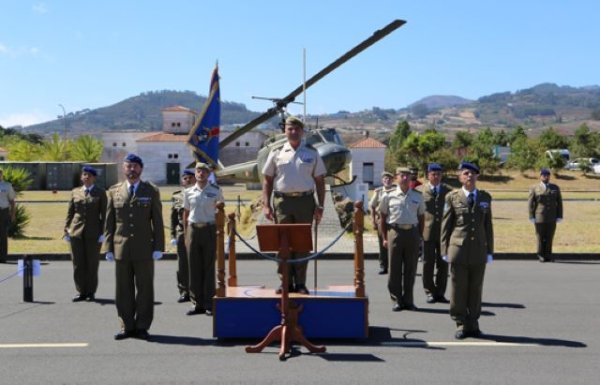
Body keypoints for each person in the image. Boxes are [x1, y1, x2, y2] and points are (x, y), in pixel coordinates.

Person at [262, 115, 326, 295]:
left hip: (305, 202)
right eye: (290, 129)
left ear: (302, 131)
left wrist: (320, 206)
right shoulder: (276, 152)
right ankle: (285, 283)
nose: (293, 132)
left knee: (302, 246)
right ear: (285, 131)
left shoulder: (312, 153)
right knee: (282, 244)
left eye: (297, 129)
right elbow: (267, 180)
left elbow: (320, 181)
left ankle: (300, 283)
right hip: (282, 202)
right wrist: (266, 205)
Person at [104, 154, 165, 341]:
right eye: (129, 166)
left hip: (144, 248)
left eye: (135, 166)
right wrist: (108, 247)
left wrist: (158, 247)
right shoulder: (114, 191)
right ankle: (126, 326)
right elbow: (109, 222)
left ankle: (142, 326)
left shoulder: (151, 190)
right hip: (121, 247)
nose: (132, 170)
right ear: (124, 169)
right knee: (123, 290)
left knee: (145, 289)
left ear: (141, 169)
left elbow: (157, 221)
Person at [441, 161, 493, 339]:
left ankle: (474, 323)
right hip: (459, 250)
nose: (469, 176)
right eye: (465, 173)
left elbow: (488, 226)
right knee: (458, 288)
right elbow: (446, 226)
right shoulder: (452, 197)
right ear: (459, 177)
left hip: (478, 249)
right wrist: (444, 250)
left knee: (476, 288)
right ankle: (460, 323)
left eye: (473, 173)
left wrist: (490, 251)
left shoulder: (485, 197)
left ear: (477, 176)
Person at [379, 166, 425, 312]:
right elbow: (383, 217)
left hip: (412, 233)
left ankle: (408, 300)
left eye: (407, 175)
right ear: (396, 178)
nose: (405, 178)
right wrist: (385, 238)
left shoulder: (418, 196)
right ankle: (396, 299)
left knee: (411, 269)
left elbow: (421, 217)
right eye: (402, 175)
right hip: (395, 232)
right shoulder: (388, 195)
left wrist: (419, 236)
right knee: (394, 268)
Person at [182, 162, 224, 316]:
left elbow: (221, 210)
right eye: (198, 171)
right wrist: (186, 234)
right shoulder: (188, 192)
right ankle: (196, 303)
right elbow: (186, 213)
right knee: (193, 267)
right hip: (193, 229)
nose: (201, 174)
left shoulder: (216, 190)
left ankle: (208, 302)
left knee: (208, 267)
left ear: (208, 174)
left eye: (204, 171)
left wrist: (220, 231)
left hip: (209, 229)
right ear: (195, 173)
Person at [64, 166, 107, 302]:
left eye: (89, 175)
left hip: (93, 233)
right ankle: (81, 291)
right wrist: (66, 229)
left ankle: (90, 291)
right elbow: (70, 212)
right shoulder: (75, 192)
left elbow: (105, 214)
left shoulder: (100, 193)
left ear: (94, 178)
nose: (86, 177)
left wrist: (103, 232)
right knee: (78, 264)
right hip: (76, 232)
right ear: (81, 177)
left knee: (92, 264)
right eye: (84, 175)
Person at [418, 163, 452, 304]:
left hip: (444, 233)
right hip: (427, 233)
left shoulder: (449, 191)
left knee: (443, 265)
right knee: (428, 264)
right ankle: (429, 292)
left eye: (438, 174)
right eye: (433, 174)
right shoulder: (420, 191)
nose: (436, 176)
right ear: (428, 175)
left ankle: (440, 293)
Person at [170, 169, 196, 303]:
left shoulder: (199, 193)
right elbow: (173, 218)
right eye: (185, 178)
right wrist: (172, 236)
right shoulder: (176, 196)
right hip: (181, 233)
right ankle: (184, 291)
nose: (188, 180)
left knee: (196, 263)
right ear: (182, 180)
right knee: (182, 265)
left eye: (191, 178)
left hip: (196, 232)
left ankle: (196, 292)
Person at [528, 168, 563, 263]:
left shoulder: (555, 187)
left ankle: (548, 255)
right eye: (543, 175)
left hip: (552, 216)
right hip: (540, 216)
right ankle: (541, 255)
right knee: (540, 236)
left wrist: (559, 215)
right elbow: (531, 203)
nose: (545, 177)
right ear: (540, 176)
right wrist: (531, 216)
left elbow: (559, 202)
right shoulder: (535, 188)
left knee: (549, 236)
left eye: (547, 175)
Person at [368, 171, 396, 274]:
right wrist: (373, 221)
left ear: (392, 180)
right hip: (381, 221)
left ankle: (394, 266)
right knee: (383, 244)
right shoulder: (378, 192)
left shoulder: (397, 191)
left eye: (389, 179)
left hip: (393, 221)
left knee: (394, 245)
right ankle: (383, 266)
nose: (387, 180)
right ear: (382, 180)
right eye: (385, 179)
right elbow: (372, 206)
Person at [0, 168, 16, 264]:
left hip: (3, 211)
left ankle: (2, 257)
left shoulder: (7, 186)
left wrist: (13, 214)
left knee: (2, 235)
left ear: (2, 175)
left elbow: (12, 201)